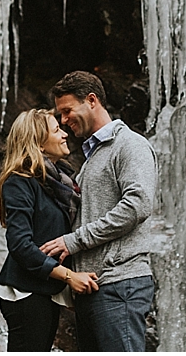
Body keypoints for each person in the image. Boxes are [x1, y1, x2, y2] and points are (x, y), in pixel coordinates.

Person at [39, 71, 158, 352]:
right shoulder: (93, 157)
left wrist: (74, 241)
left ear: (91, 100)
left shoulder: (130, 145)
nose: (64, 122)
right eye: (60, 115)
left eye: (67, 111)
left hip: (120, 285)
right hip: (94, 287)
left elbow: (137, 205)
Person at [0, 108, 100, 351]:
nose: (64, 134)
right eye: (56, 130)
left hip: (44, 291)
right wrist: (69, 277)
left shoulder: (59, 181)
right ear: (39, 145)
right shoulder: (20, 181)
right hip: (26, 292)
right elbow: (20, 245)